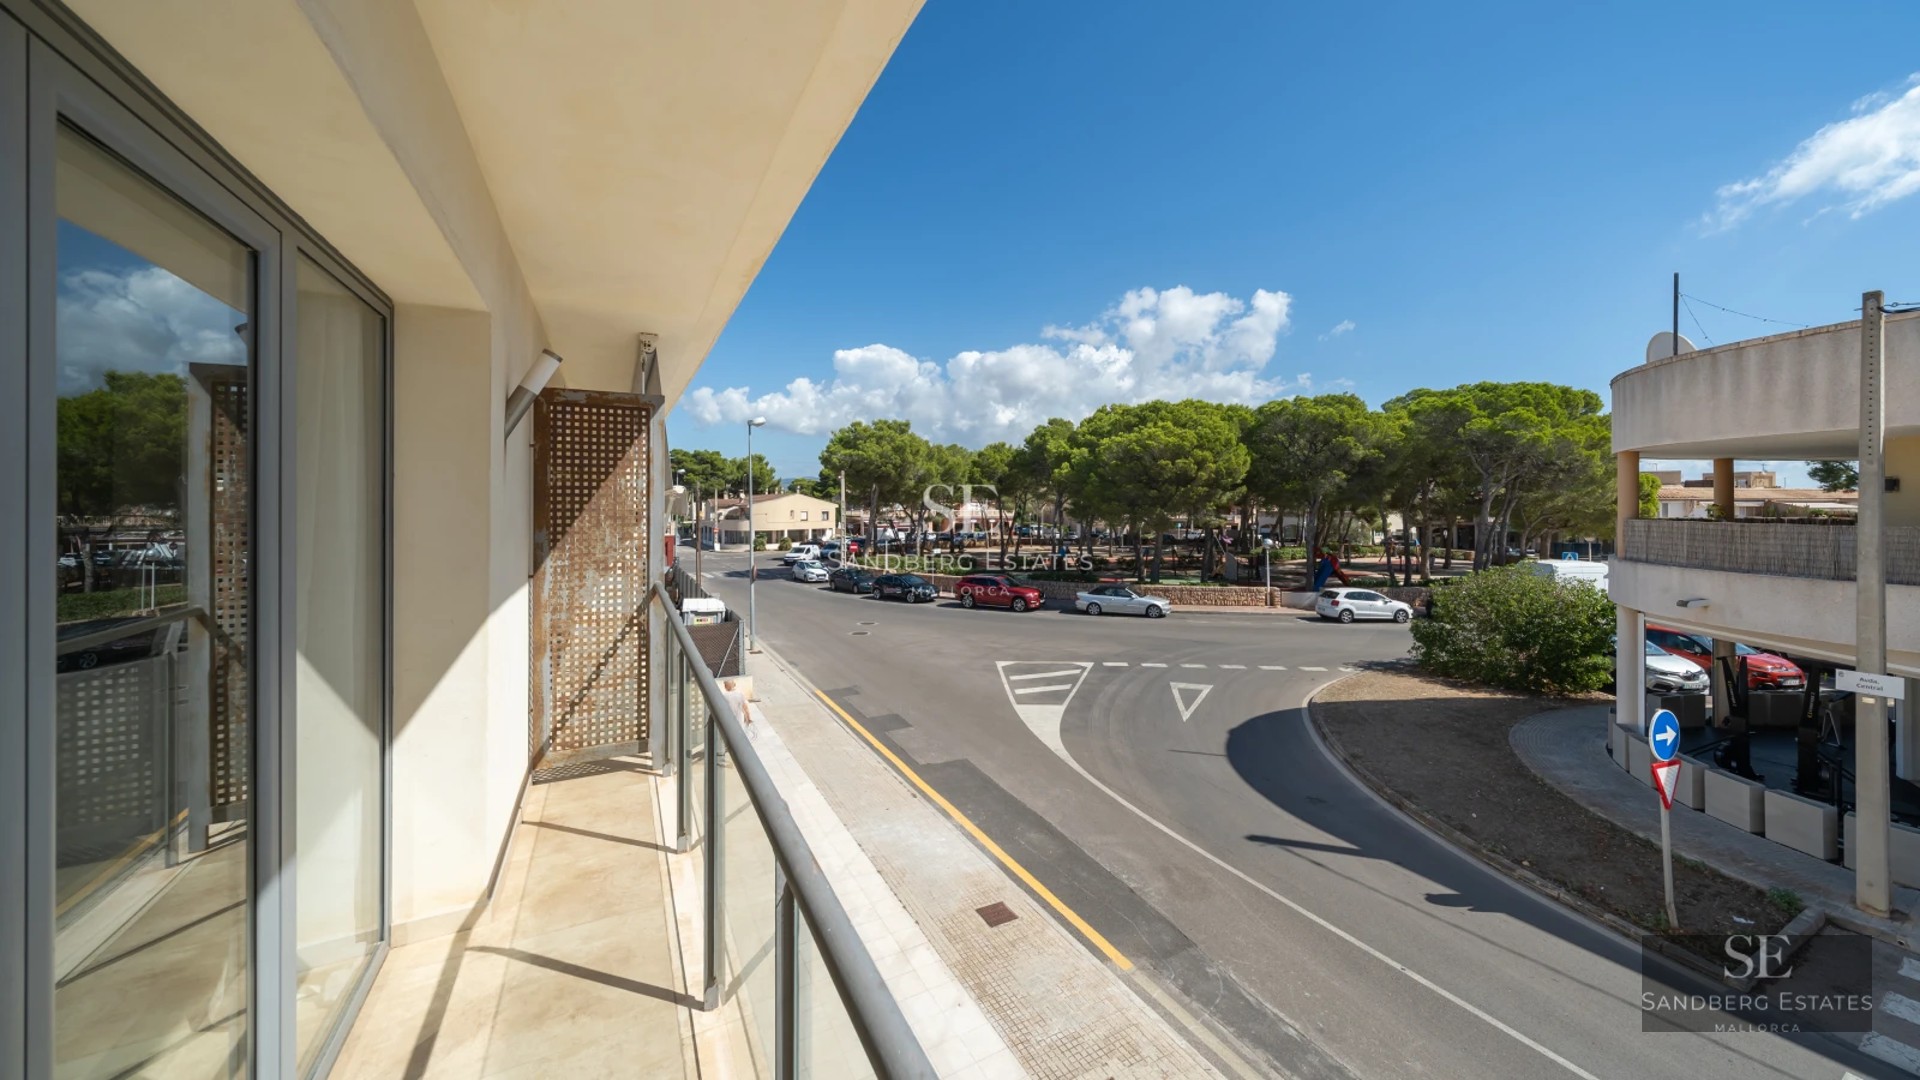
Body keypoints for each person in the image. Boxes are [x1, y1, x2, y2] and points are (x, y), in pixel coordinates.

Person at [719, 678, 753, 765]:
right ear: (734, 685)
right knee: (739, 737)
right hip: (739, 719)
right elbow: (745, 707)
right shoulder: (740, 694)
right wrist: (748, 718)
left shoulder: (724, 696)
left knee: (728, 737)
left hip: (729, 720)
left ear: (726, 686)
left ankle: (727, 755)